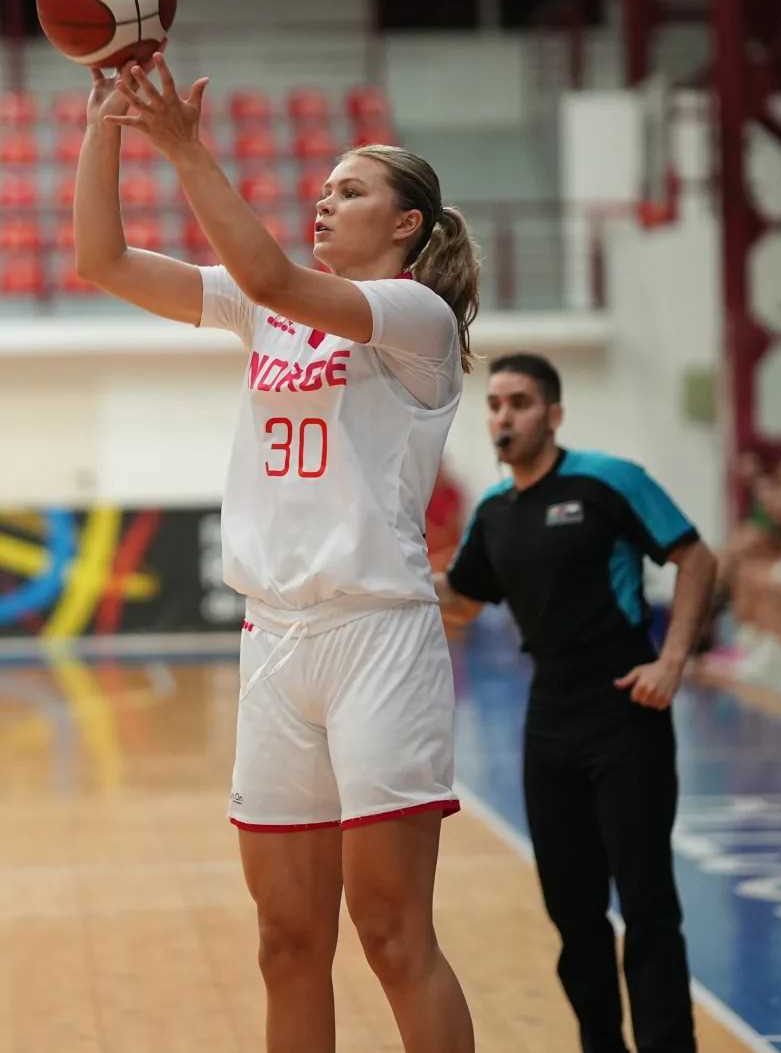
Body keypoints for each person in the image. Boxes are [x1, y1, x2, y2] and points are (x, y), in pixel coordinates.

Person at [76, 55, 479, 1053]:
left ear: (406, 227)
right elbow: (105, 262)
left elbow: (264, 273)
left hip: (374, 636)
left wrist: (184, 145)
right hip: (274, 639)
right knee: (284, 942)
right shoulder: (272, 311)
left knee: (391, 937)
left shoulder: (414, 320)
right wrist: (105, 127)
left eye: (350, 190)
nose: (323, 201)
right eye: (320, 188)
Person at [437, 352, 716, 1053]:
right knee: (572, 907)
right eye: (495, 403)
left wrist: (672, 659)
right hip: (549, 720)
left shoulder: (607, 480)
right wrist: (381, 569)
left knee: (646, 901)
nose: (504, 415)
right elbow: (461, 603)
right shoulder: (493, 515)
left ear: (553, 414)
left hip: (627, 710)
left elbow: (696, 557)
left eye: (521, 402)